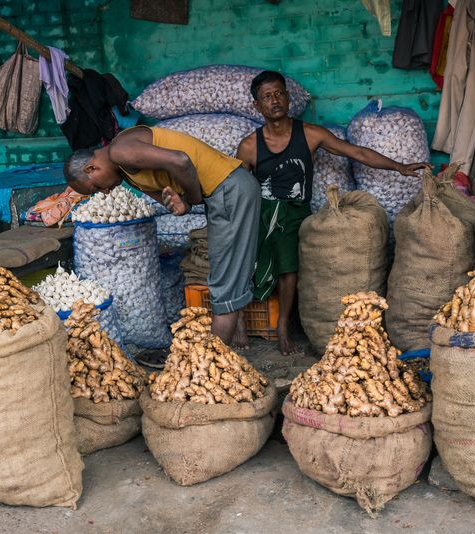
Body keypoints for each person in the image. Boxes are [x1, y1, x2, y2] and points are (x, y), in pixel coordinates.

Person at [236, 71, 430, 356]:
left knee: (290, 268)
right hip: (261, 211)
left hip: (295, 211)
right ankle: (240, 318)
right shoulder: (249, 146)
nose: (274, 101)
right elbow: (238, 188)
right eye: (267, 97)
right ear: (257, 106)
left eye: (279, 93)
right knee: (244, 256)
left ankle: (282, 326)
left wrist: (399, 166)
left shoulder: (311, 134)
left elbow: (358, 154)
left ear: (288, 98)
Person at [63, 126, 260, 351]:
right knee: (224, 272)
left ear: (91, 168)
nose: (105, 192)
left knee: (225, 282)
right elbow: (181, 205)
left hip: (229, 189)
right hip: (224, 194)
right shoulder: (129, 174)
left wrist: (192, 199)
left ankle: (211, 362)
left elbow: (181, 161)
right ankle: (223, 346)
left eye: (96, 187)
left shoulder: (119, 151)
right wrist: (182, 203)